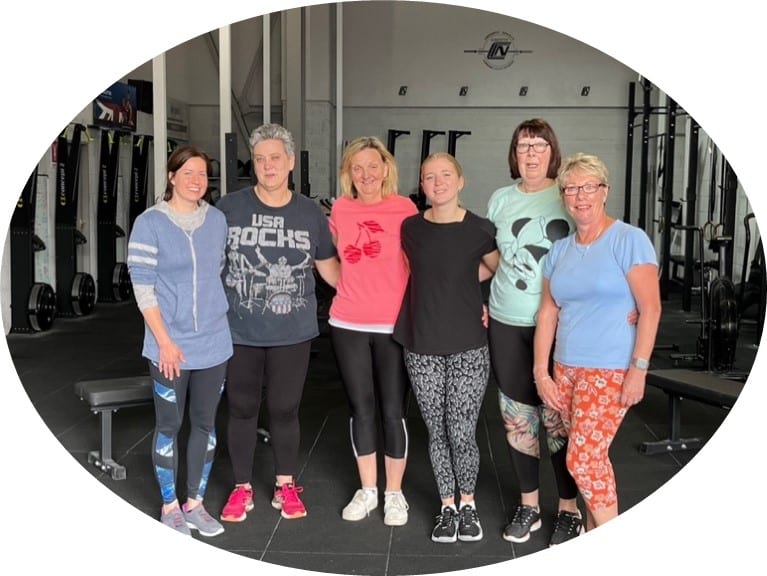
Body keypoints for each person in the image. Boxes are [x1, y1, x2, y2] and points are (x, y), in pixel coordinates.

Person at [216, 123, 339, 523]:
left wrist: (383, 292)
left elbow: (329, 269)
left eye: (275, 158)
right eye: (260, 159)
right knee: (241, 407)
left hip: (293, 332)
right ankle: (241, 487)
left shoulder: (309, 213)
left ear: (290, 161)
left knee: (285, 410)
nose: (268, 166)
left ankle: (285, 484)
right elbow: (205, 264)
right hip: (239, 329)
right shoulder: (228, 208)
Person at [534, 152, 661, 531]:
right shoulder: (559, 251)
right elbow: (547, 313)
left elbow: (650, 309)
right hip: (565, 368)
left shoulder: (629, 240)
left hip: (608, 370)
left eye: (589, 186)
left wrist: (639, 369)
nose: (580, 195)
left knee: (583, 460)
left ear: (604, 191)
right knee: (590, 458)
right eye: (571, 188)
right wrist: (542, 373)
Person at [126, 144, 232, 537]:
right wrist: (165, 342)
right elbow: (144, 289)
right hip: (167, 344)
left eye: (202, 174)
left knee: (204, 423)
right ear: (171, 177)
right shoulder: (150, 223)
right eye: (187, 172)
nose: (196, 180)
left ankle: (195, 503)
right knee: (169, 424)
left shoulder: (217, 221)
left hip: (214, 343)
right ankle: (170, 505)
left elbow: (215, 272)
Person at [485, 118, 582, 546]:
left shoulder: (568, 198)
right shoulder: (500, 200)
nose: (531, 153)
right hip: (506, 321)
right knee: (518, 418)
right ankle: (529, 506)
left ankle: (568, 508)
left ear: (552, 153)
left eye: (540, 145)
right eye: (523, 145)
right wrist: (477, 300)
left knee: (557, 418)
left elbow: (595, 250)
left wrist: (624, 307)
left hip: (558, 325)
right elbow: (489, 259)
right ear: (514, 152)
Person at [393, 152, 498, 544]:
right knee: (436, 431)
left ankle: (468, 503)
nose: (437, 183)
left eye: (445, 175)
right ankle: (447, 506)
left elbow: (496, 267)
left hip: (468, 342)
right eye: (429, 177)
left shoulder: (480, 229)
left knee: (461, 429)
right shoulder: (410, 228)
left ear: (460, 180)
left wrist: (474, 292)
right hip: (421, 342)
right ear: (422, 185)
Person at [328, 136, 418, 526]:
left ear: (386, 170)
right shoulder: (340, 210)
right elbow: (327, 258)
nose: (365, 174)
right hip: (347, 322)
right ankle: (368, 491)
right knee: (361, 409)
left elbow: (421, 263)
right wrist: (347, 288)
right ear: (349, 173)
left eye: (372, 166)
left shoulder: (405, 208)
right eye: (357, 168)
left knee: (392, 411)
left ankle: (394, 495)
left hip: (391, 324)